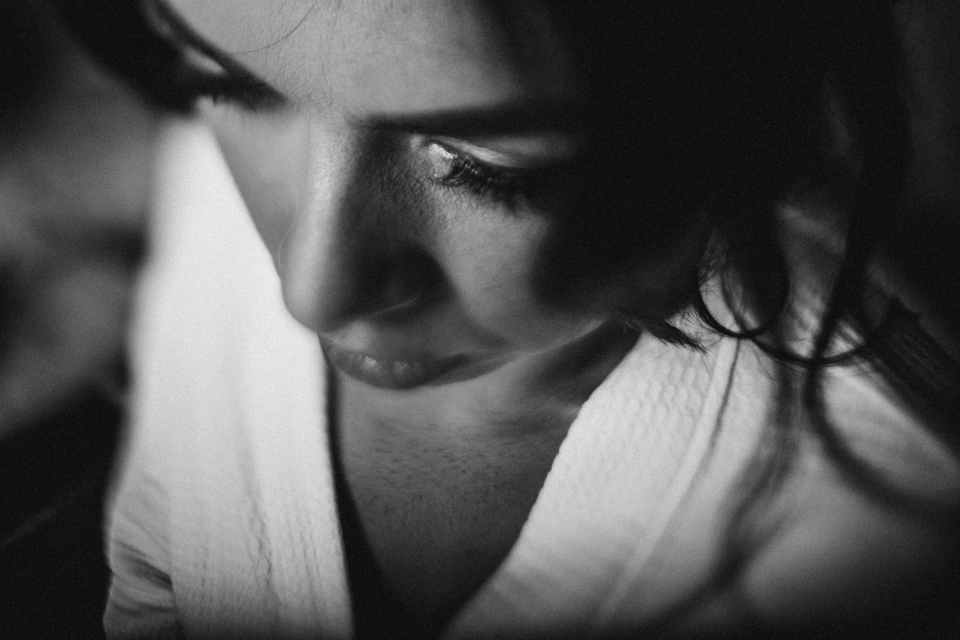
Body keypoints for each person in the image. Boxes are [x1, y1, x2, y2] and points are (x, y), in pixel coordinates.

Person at [55, 0, 960, 637]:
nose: (312, 291)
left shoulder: (879, 539)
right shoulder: (199, 184)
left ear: (736, 113)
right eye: (232, 85)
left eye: (489, 166)